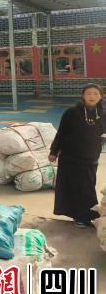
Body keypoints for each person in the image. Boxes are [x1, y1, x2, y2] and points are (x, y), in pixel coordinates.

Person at [50, 84, 105, 228]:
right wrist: (54, 151)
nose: (92, 96)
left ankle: (87, 215)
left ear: (101, 97)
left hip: (91, 157)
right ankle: (80, 217)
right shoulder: (71, 112)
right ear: (83, 96)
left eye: (95, 94)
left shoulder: (103, 114)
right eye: (89, 93)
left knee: (87, 187)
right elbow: (61, 133)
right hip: (70, 157)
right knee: (72, 187)